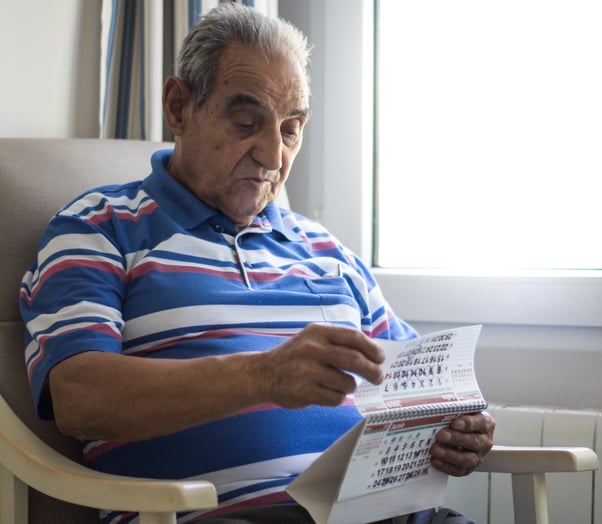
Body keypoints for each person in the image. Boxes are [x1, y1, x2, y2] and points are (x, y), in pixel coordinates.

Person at [19, 4, 494, 523]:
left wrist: (458, 422)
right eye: (247, 122)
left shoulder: (329, 254)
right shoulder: (99, 227)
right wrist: (262, 377)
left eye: (291, 129)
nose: (273, 156)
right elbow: (79, 398)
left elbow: (420, 385)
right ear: (178, 107)